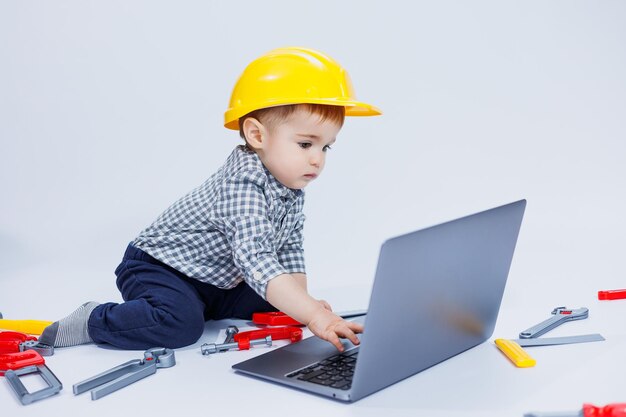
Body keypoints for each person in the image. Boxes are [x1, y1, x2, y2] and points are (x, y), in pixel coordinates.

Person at [40, 47, 381, 351]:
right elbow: (257, 259)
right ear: (256, 134)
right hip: (160, 267)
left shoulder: (290, 186)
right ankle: (94, 320)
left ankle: (201, 307)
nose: (317, 159)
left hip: (217, 277)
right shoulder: (242, 183)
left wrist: (305, 306)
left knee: (282, 299)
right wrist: (312, 315)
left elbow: (288, 250)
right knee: (179, 325)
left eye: (326, 147)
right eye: (306, 144)